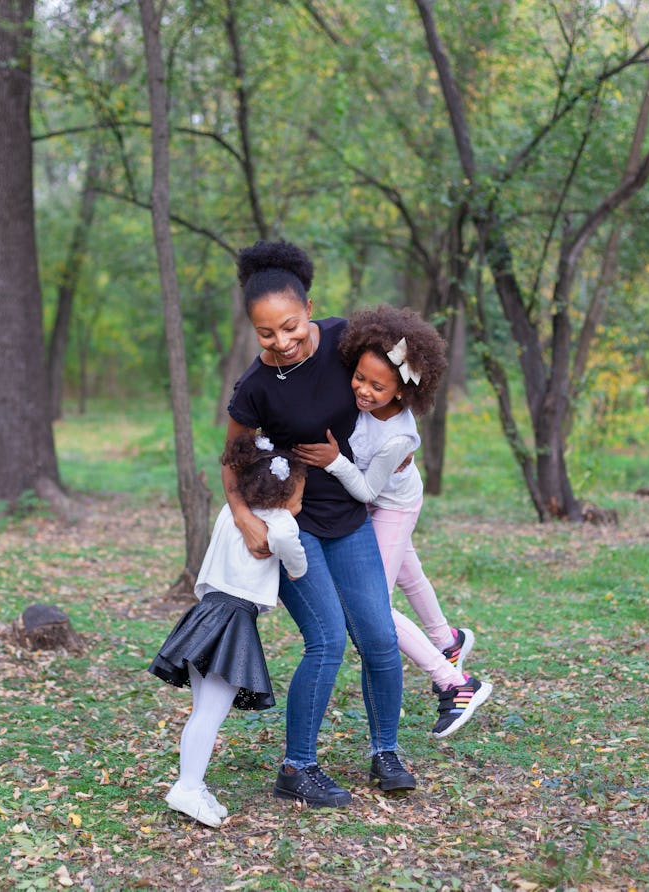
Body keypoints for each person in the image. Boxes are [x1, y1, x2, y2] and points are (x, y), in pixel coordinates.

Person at [224, 239, 416, 809]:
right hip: (292, 523)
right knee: (328, 641)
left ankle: (386, 752)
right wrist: (244, 519)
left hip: (351, 517)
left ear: (309, 307)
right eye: (265, 333)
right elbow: (232, 463)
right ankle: (296, 768)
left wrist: (404, 441)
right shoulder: (254, 389)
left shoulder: (345, 340)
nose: (280, 342)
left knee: (380, 639)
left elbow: (408, 371)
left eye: (288, 326)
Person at [294, 305, 492, 739]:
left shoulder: (398, 437)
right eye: (360, 378)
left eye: (377, 386)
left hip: (390, 503)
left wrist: (334, 461)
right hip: (383, 500)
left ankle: (455, 683)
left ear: (402, 393)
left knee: (373, 607)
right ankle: (447, 639)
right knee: (407, 572)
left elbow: (365, 489)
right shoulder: (360, 396)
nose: (363, 390)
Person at [148, 432, 308, 828]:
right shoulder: (283, 524)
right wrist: (292, 564)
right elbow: (298, 564)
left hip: (207, 612)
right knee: (210, 714)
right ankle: (186, 787)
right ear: (284, 494)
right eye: (300, 495)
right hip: (232, 621)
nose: (301, 503)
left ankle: (194, 783)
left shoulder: (230, 512)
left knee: (202, 711)